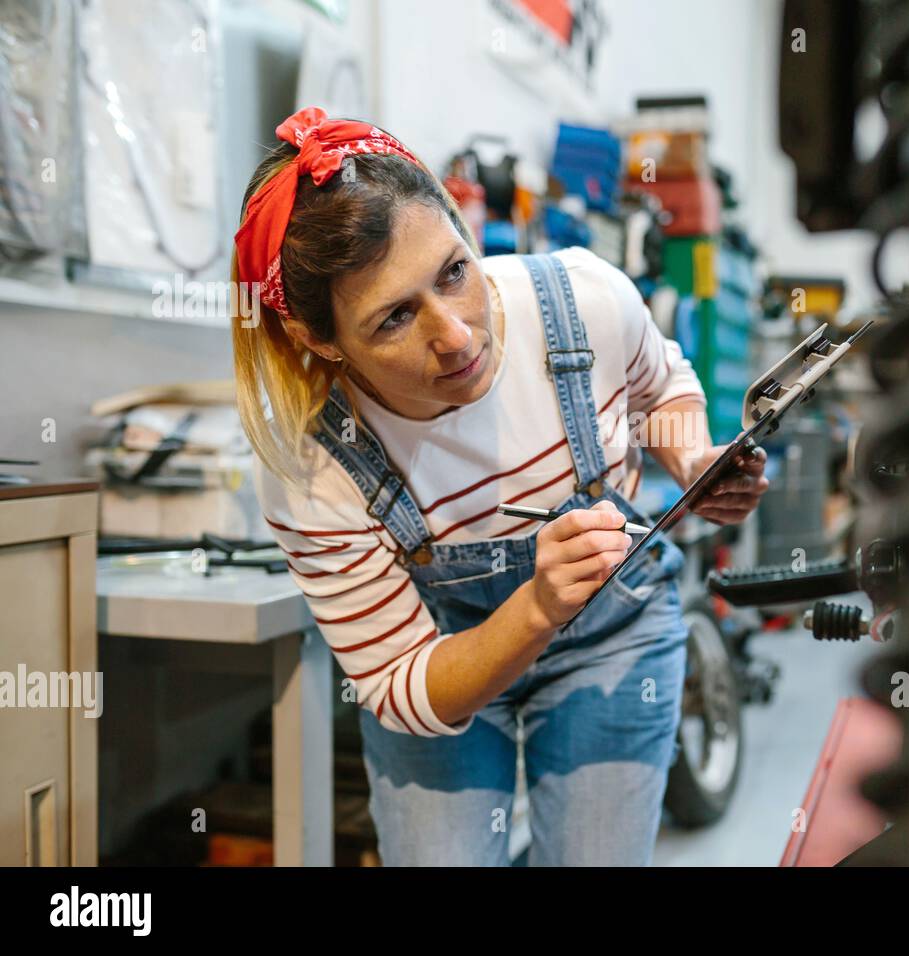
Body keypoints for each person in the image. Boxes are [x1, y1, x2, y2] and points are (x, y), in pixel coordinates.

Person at [230, 107, 769, 865]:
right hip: (446, 668)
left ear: (463, 227)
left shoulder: (581, 302)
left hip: (612, 645)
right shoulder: (312, 465)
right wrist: (541, 605)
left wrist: (694, 463)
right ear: (318, 339)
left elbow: (662, 389)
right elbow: (402, 686)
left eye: (454, 272)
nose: (454, 335)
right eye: (392, 319)